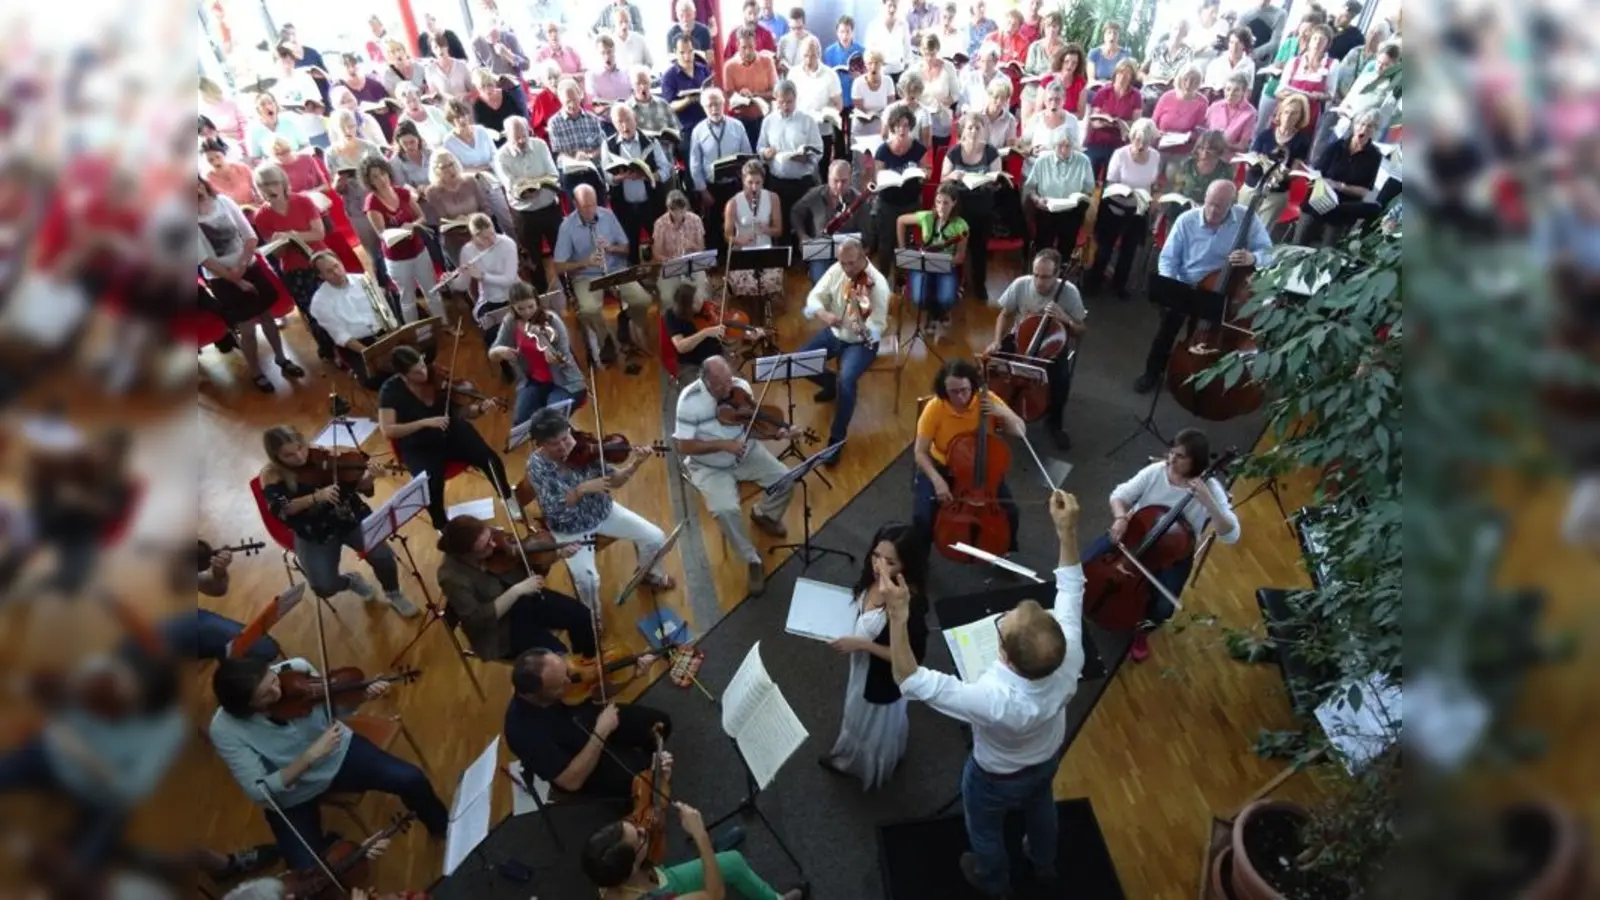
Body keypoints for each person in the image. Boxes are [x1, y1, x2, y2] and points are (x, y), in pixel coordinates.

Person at [887, 489, 1087, 897]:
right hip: (1047, 756)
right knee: (1040, 807)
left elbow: (909, 680)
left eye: (1004, 624)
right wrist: (1067, 531)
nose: (1003, 618)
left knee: (985, 831)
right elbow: (1071, 588)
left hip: (995, 776)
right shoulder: (1071, 651)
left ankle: (994, 881)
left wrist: (897, 615)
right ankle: (1044, 862)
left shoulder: (992, 698)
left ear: (1007, 658)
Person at [209, 657, 449, 870]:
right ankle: (331, 843)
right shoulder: (225, 729)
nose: (278, 689)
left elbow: (335, 710)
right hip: (293, 794)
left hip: (339, 754)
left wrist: (361, 696)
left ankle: (441, 826)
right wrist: (309, 757)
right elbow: (258, 790)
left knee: (411, 778)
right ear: (247, 707)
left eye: (272, 678)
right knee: (308, 870)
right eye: (266, 694)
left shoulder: (296, 671)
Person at [1093, 429, 1239, 661]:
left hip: (1173, 553)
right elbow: (1119, 495)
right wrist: (1121, 518)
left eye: (1180, 457)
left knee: (1163, 607)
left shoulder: (1210, 489)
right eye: (1172, 452)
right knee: (1090, 559)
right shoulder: (1156, 472)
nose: (1171, 460)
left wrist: (1209, 502)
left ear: (1196, 462)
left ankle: (1141, 631)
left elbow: (1231, 534)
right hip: (1137, 535)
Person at [522, 406, 674, 610]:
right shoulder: (536, 466)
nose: (564, 447)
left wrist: (634, 465)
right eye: (554, 444)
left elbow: (615, 481)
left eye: (566, 439)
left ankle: (647, 575)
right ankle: (592, 615)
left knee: (656, 538)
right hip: (570, 528)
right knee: (588, 581)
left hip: (603, 511)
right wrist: (581, 489)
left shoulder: (586, 446)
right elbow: (554, 510)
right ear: (539, 444)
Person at [817, 522, 929, 790]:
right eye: (876, 555)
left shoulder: (910, 606)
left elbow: (910, 661)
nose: (878, 565)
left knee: (868, 722)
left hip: (881, 680)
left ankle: (858, 765)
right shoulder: (873, 577)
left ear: (906, 566)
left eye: (889, 561)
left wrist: (863, 645)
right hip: (863, 669)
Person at [259, 425, 416, 615]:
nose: (300, 457)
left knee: (382, 556)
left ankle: (393, 593)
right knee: (324, 587)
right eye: (289, 455)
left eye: (301, 448)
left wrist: (371, 477)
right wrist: (316, 497)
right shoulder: (272, 475)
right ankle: (351, 581)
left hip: (349, 517)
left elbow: (359, 486)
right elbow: (281, 509)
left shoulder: (324, 455)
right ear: (276, 457)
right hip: (314, 532)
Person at [1135, 180, 1273, 394]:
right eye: (1209, 203)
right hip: (1187, 284)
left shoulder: (1247, 218)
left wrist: (1253, 257)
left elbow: (1269, 252)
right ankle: (1152, 372)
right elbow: (1168, 260)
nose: (1212, 210)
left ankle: (1205, 377)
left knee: (1216, 334)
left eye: (1220, 206)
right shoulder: (1186, 220)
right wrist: (1172, 286)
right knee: (1166, 331)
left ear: (1232, 204)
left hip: (1220, 289)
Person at [672, 355, 794, 596]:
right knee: (725, 510)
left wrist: (778, 433)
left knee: (786, 478)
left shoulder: (739, 387)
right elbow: (683, 447)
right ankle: (752, 559)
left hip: (745, 451)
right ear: (706, 381)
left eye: (730, 380)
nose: (730, 388)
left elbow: (753, 425)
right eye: (722, 385)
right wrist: (723, 445)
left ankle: (764, 514)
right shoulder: (689, 402)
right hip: (708, 465)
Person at [377, 344, 517, 533]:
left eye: (423, 365)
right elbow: (388, 430)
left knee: (489, 458)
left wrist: (480, 409)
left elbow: (461, 411)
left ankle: (507, 497)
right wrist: (425, 422)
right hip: (419, 444)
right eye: (416, 372)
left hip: (451, 430)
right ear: (403, 375)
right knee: (430, 485)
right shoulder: (390, 390)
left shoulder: (436, 375)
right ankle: (441, 525)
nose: (424, 372)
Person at [504, 648, 671, 797]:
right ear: (534, 695)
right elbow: (571, 782)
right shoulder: (521, 732)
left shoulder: (562, 672)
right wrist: (601, 732)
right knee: (643, 781)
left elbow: (598, 695)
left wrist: (634, 675)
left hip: (599, 724)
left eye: (566, 674)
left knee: (661, 723)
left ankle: (646, 761)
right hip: (583, 759)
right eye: (560, 685)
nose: (569, 682)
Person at [435, 514, 596, 660]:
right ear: (466, 553)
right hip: (502, 629)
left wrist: (558, 554)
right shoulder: (451, 577)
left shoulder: (491, 542)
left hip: (525, 600)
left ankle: (589, 665)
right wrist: (517, 591)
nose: (493, 544)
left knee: (583, 616)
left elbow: (526, 567)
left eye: (490, 537)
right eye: (485, 546)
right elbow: (478, 619)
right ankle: (577, 682)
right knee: (558, 657)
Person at [197, 178, 305, 394]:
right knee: (246, 330)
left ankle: (282, 359)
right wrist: (236, 279)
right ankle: (256, 372)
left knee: (267, 318)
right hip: (222, 279)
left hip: (250, 267)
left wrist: (242, 266)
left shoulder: (224, 202)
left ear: (203, 183)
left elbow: (249, 236)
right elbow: (203, 258)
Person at [911, 359, 1024, 547]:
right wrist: (938, 481)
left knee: (1010, 512)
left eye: (965, 390)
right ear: (944, 391)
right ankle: (920, 556)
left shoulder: (987, 400)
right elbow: (920, 453)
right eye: (953, 392)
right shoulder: (936, 407)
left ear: (972, 385)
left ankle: (1005, 550)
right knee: (922, 516)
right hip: (942, 467)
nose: (961, 397)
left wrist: (1003, 412)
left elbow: (1021, 432)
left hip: (982, 468)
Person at [799, 238, 889, 467]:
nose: (847, 270)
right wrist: (824, 315)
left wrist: (862, 326)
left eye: (851, 264)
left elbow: (878, 326)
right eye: (843, 263)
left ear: (862, 257)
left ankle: (836, 440)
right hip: (835, 333)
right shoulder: (837, 269)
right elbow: (814, 297)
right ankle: (831, 384)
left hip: (861, 342)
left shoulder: (877, 283)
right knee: (801, 361)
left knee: (847, 380)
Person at [987, 250, 1087, 449]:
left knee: (1061, 381)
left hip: (1051, 348)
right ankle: (996, 410)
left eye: (1046, 277)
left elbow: (1081, 331)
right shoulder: (1021, 284)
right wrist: (996, 340)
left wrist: (1065, 318)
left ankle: (1054, 424)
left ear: (1058, 273)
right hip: (1020, 340)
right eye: (1036, 275)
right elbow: (1005, 315)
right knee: (992, 363)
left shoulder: (1070, 293)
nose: (1039, 282)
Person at [553, 183, 652, 364]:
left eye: (593, 204)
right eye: (586, 206)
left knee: (643, 300)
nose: (591, 210)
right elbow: (558, 267)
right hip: (586, 275)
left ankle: (625, 321)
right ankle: (605, 338)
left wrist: (611, 248)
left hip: (615, 268)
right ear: (575, 204)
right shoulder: (566, 227)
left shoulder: (607, 215)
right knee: (589, 309)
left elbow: (626, 248)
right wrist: (586, 262)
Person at [585, 803, 768, 900]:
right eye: (639, 838)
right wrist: (700, 834)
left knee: (732, 862)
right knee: (724, 870)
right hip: (667, 892)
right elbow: (715, 895)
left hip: (663, 881)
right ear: (632, 867)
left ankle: (711, 860)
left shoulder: (605, 867)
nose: (643, 829)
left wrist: (660, 781)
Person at [250, 161, 335, 359]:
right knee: (312, 312)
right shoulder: (261, 215)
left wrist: (291, 235)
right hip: (294, 269)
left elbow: (318, 234)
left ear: (282, 182)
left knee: (335, 303)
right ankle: (329, 350)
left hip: (321, 259)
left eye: (272, 183)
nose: (269, 189)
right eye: (262, 185)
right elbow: (278, 255)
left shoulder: (303, 201)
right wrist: (279, 243)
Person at [490, 282, 587, 426]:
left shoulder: (551, 320)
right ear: (513, 307)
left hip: (565, 382)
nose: (527, 312)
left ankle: (568, 443)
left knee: (551, 421)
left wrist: (552, 354)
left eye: (531, 306)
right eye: (520, 309)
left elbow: (564, 355)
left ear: (537, 302)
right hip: (533, 381)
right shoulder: (510, 321)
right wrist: (500, 351)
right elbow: (492, 353)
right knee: (520, 422)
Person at [1086, 117, 1161, 299]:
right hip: (1115, 206)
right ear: (1131, 136)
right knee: (1105, 248)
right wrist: (1125, 194)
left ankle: (1119, 285)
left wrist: (1152, 198)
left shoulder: (1155, 156)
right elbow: (1111, 184)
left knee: (1129, 250)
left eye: (1144, 142)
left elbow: (1152, 183)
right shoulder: (1120, 154)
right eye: (1136, 139)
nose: (1139, 145)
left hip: (1138, 209)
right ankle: (1094, 282)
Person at [305, 251, 401, 387]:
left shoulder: (364, 280)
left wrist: (393, 339)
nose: (337, 272)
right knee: (375, 378)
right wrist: (371, 354)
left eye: (336, 266)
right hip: (357, 345)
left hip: (384, 333)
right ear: (321, 276)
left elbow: (385, 313)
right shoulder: (319, 302)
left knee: (415, 356)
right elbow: (341, 336)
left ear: (341, 263)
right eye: (329, 271)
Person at [493, 115, 563, 295]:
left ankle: (569, 291)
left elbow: (553, 174)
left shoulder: (540, 145)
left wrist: (532, 183)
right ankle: (540, 296)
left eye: (524, 134)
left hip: (549, 208)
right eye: (516, 137)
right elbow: (511, 186)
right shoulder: (501, 156)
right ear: (506, 136)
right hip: (524, 214)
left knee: (562, 251)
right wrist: (530, 185)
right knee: (533, 259)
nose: (522, 140)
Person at [360, 155, 434, 324]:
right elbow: (382, 234)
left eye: (382, 173)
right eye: (375, 177)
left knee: (431, 291)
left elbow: (421, 217)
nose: (381, 179)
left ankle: (445, 323)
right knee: (407, 298)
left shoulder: (402, 192)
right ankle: (417, 333)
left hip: (417, 248)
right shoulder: (372, 203)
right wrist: (399, 231)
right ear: (369, 181)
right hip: (396, 257)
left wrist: (412, 225)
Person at [1294, 109, 1383, 245]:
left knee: (1328, 252)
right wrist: (1318, 181)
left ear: (1375, 131)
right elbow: (1316, 172)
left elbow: (1364, 191)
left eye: (1370, 126)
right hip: (1319, 199)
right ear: (1354, 125)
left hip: (1343, 208)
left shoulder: (1374, 157)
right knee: (1298, 244)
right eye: (1361, 124)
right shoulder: (1336, 146)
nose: (1364, 129)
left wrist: (1339, 186)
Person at [896, 182, 968, 338]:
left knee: (947, 299)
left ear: (954, 203)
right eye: (938, 202)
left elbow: (960, 257)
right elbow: (901, 220)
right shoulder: (927, 217)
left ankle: (940, 312)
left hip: (946, 266)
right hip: (923, 264)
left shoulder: (961, 225)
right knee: (918, 299)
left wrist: (943, 261)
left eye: (946, 203)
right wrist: (903, 249)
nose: (941, 207)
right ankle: (932, 313)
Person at [602, 104, 672, 264]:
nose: (625, 126)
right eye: (620, 122)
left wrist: (648, 176)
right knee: (630, 248)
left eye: (628, 119)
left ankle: (663, 278)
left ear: (635, 119)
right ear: (614, 124)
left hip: (651, 203)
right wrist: (620, 177)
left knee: (661, 242)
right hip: (624, 206)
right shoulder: (608, 144)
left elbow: (666, 169)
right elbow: (606, 176)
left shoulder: (651, 140)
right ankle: (636, 284)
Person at [756, 79, 823, 234]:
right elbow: (760, 148)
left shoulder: (807, 120)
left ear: (796, 99)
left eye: (789, 102)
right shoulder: (768, 121)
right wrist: (765, 154)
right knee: (781, 224)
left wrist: (807, 158)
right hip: (778, 182)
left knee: (805, 223)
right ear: (776, 100)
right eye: (782, 102)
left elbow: (819, 150)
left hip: (802, 182)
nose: (786, 106)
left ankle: (805, 255)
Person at [1021, 126, 1094, 266]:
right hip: (1047, 210)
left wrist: (1081, 197)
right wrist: (1037, 199)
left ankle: (1061, 268)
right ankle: (1043, 267)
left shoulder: (1083, 161)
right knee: (1044, 246)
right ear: (1054, 145)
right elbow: (1030, 187)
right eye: (1061, 145)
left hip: (1071, 212)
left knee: (1066, 245)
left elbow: (1089, 189)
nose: (1064, 149)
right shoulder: (1042, 161)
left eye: (1069, 146)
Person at [792, 160, 864, 283]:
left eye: (844, 181)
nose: (840, 186)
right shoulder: (815, 194)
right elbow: (795, 212)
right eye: (835, 181)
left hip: (849, 255)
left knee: (848, 285)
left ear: (851, 179)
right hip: (821, 253)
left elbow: (868, 235)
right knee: (820, 281)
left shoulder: (858, 200)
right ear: (828, 178)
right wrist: (802, 235)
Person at [723, 160, 785, 300]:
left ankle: (766, 306)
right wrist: (739, 240)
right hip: (743, 252)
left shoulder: (773, 198)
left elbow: (779, 230)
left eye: (758, 183)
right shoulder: (733, 203)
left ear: (763, 181)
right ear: (743, 180)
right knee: (744, 284)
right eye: (750, 182)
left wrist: (767, 229)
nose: (754, 187)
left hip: (765, 250)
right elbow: (727, 236)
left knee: (770, 282)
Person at [452, 212, 520, 331]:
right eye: (486, 238)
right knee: (492, 333)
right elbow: (462, 285)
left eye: (493, 234)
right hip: (490, 300)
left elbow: (509, 280)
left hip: (515, 294)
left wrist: (483, 276)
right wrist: (450, 281)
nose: (492, 240)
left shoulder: (507, 244)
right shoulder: (467, 251)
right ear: (474, 236)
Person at [653, 189, 714, 303]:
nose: (678, 214)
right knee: (667, 298)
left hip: (693, 265)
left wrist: (693, 245)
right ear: (668, 208)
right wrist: (670, 260)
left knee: (700, 296)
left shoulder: (695, 220)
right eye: (673, 210)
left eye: (682, 210)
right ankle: (671, 319)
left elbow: (702, 249)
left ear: (686, 207)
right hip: (671, 267)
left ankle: (697, 317)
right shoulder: (660, 223)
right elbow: (657, 253)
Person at [723, 28, 779, 148]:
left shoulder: (767, 61)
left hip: (765, 119)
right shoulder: (729, 66)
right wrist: (740, 96)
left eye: (751, 47)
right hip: (740, 121)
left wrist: (754, 95)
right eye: (744, 47)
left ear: (756, 44)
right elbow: (729, 99)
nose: (748, 51)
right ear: (737, 45)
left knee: (766, 159)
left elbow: (775, 93)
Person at [1204, 73, 1259, 154]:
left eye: (1236, 90)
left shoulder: (1250, 113)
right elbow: (1203, 129)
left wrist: (1224, 145)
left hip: (1229, 156)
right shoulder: (1215, 106)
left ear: (1243, 92)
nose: (1231, 93)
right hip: (1208, 152)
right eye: (1228, 89)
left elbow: (1243, 146)